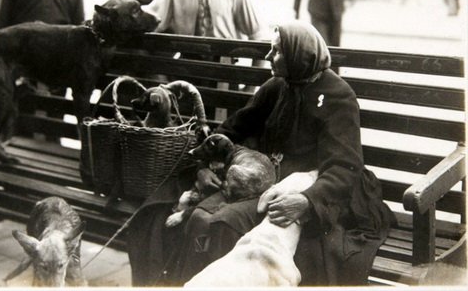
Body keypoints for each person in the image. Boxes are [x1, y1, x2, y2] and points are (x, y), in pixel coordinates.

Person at [127, 21, 393, 286]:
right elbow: (232, 129)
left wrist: (307, 202)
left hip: (311, 189)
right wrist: (204, 167)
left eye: (276, 51)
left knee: (224, 223)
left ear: (299, 56)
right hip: (262, 179)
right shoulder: (278, 86)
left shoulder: (337, 96)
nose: (267, 57)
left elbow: (344, 166)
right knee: (191, 217)